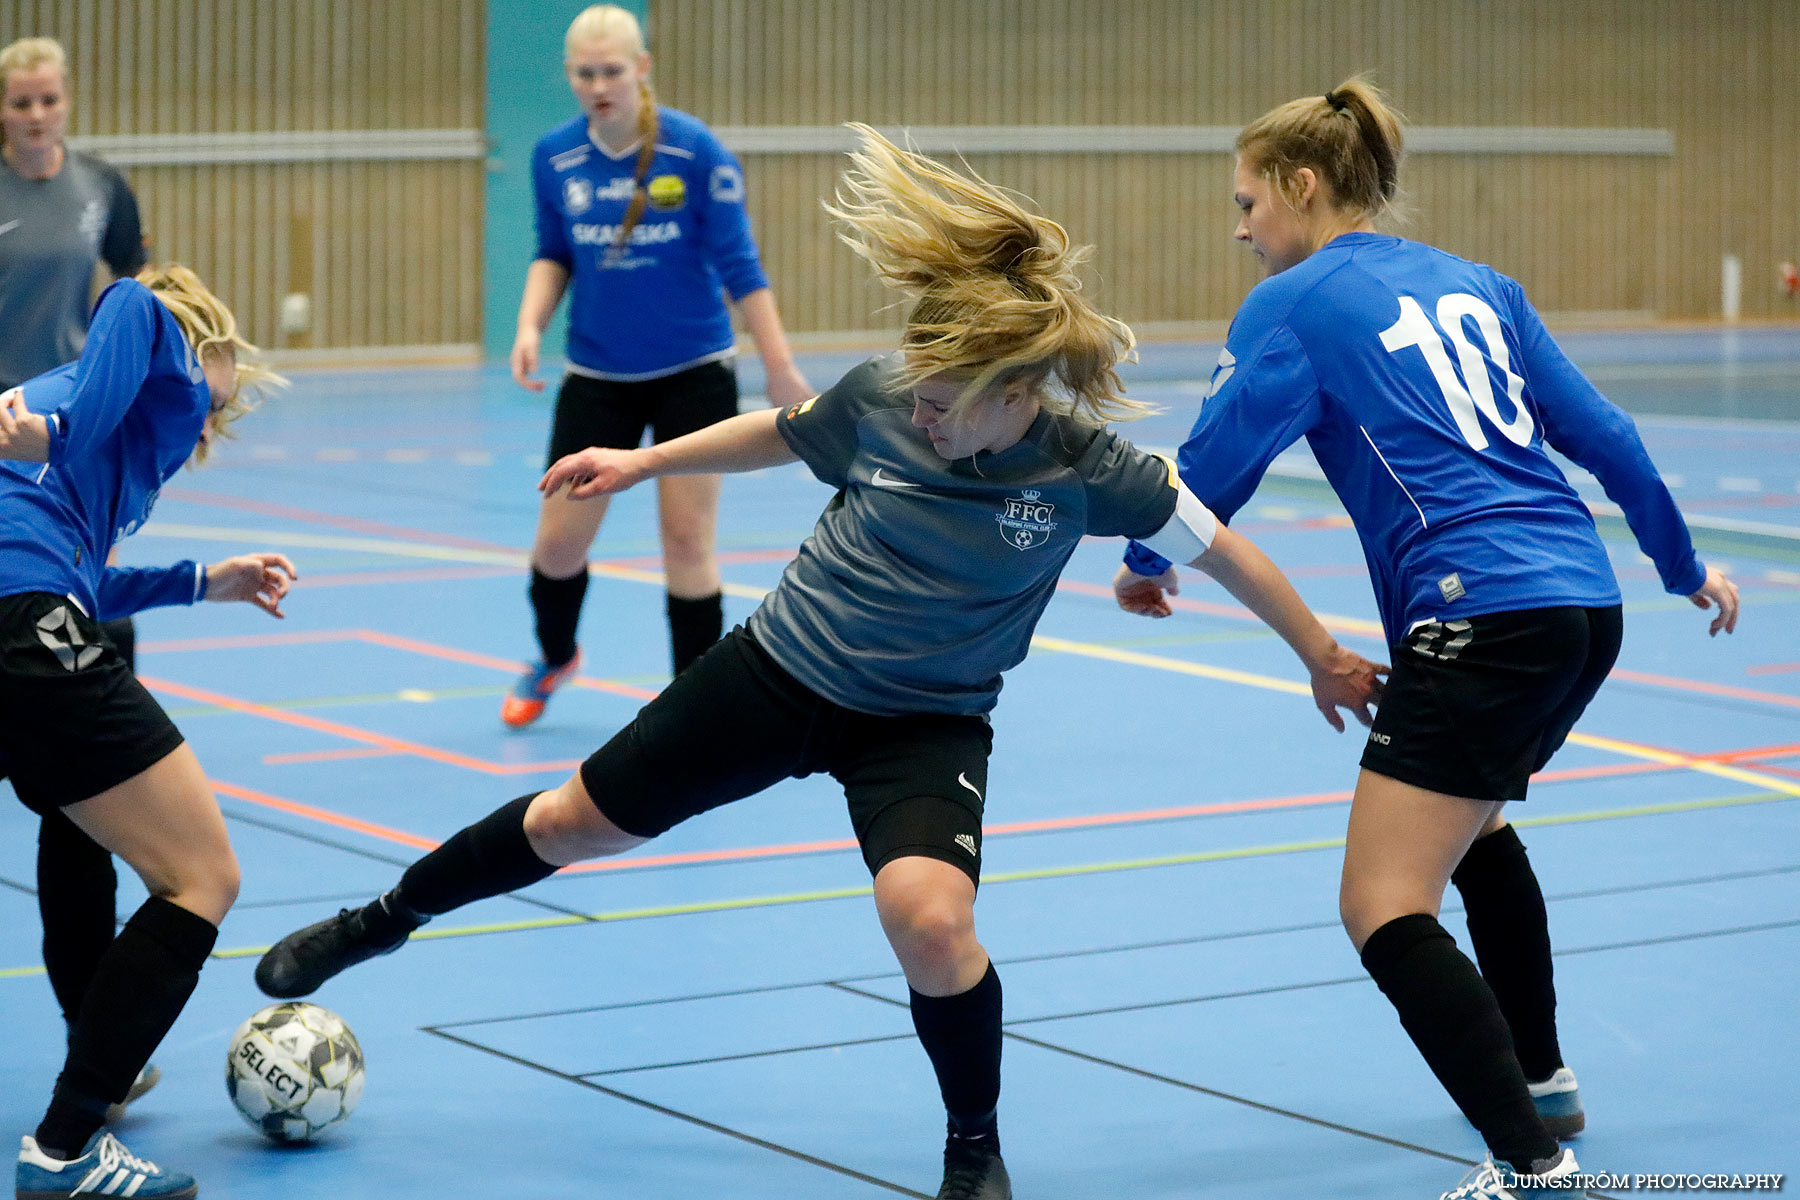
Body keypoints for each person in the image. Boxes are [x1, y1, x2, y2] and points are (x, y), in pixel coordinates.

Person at [255, 124, 1382, 1200]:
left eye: (951, 406)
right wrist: (638, 467)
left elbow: (1223, 550)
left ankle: (974, 1149)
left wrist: (1323, 652)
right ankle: (380, 922)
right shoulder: (886, 401)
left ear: (1021, 395)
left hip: (924, 722)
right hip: (779, 672)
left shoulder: (1088, 469)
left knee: (934, 924)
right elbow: (777, 430)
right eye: (922, 398)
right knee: (564, 827)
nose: (927, 418)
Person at [1113, 78, 1740, 1200]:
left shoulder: (1296, 303)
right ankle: (1542, 1082)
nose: (1241, 225)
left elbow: (1212, 463)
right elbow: (1607, 435)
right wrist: (1683, 565)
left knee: (1383, 903)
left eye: (1249, 200)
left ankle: (1531, 1164)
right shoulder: (1480, 285)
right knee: (1477, 826)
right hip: (1581, 608)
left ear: (1304, 188)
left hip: (1481, 614)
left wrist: (1145, 563)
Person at [2, 264, 289, 1200]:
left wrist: (211, 579)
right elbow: (119, 326)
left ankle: (97, 1070)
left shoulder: (108, 462)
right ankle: (66, 1146)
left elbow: (86, 579)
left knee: (81, 824)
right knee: (203, 876)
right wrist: (54, 432)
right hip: (20, 620)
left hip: (32, 605)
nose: (213, 422)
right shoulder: (151, 328)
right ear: (206, 345)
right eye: (223, 395)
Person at [503, 4, 812, 727]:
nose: (600, 84)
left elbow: (740, 265)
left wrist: (780, 366)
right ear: (570, 77)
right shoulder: (555, 156)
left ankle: (692, 708)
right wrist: (527, 325)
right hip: (598, 379)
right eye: (586, 72)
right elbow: (553, 252)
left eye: (613, 70)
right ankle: (555, 655)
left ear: (642, 68)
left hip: (693, 371)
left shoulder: (694, 151)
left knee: (686, 541)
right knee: (557, 546)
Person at [0, 36, 172, 1121]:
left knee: (87, 811)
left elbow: (137, 301)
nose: (35, 114)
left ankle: (90, 1040)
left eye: (49, 97)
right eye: (18, 101)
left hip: (76, 490)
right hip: (5, 491)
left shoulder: (103, 189)